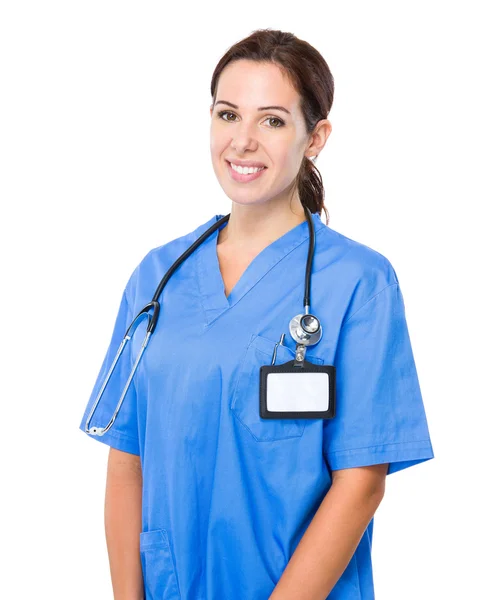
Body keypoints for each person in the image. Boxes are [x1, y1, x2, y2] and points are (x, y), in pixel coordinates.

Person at [78, 28, 434, 600]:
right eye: (227, 115)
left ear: (314, 138)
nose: (242, 141)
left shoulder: (359, 283)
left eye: (271, 120)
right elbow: (128, 460)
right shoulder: (157, 277)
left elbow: (362, 482)